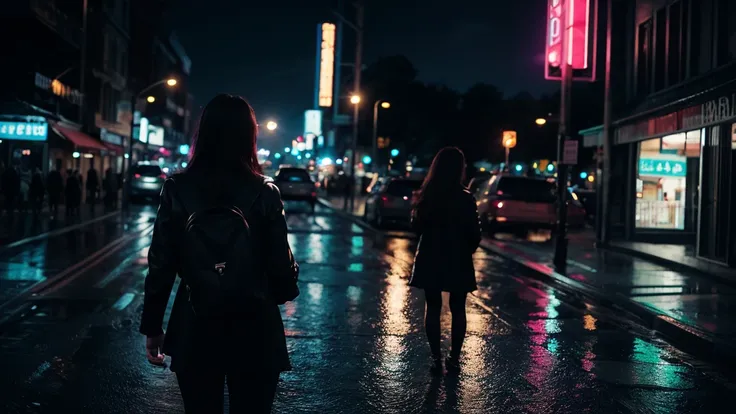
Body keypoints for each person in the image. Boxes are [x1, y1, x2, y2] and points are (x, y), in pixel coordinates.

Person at [140, 94, 300, 414]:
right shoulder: (265, 191)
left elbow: (160, 264)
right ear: (249, 136)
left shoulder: (177, 188)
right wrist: (280, 286)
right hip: (256, 328)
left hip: (195, 325)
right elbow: (281, 273)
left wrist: (153, 326)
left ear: (204, 133)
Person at [409, 147, 481, 375]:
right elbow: (475, 233)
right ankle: (454, 359)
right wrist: (466, 248)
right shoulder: (465, 197)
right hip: (457, 256)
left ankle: (436, 358)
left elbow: (416, 227)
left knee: (433, 307)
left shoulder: (428, 194)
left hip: (431, 255)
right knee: (458, 308)